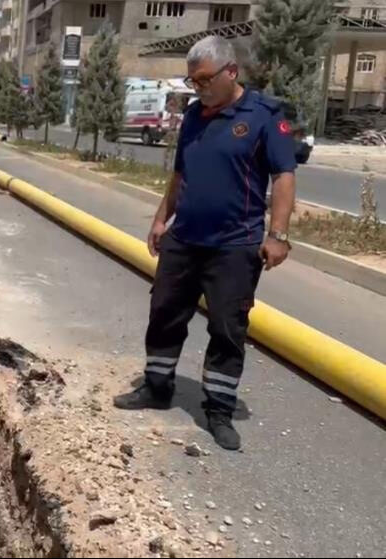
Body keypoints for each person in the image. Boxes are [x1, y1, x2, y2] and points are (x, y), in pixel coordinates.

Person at [112, 36, 297, 451]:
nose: (198, 88)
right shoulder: (195, 116)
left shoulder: (265, 116)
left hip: (235, 244)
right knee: (164, 312)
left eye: (204, 80)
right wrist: (162, 219)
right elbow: (181, 175)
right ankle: (157, 386)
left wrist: (279, 235)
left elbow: (284, 176)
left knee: (228, 328)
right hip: (184, 238)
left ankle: (219, 410)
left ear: (231, 72)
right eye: (192, 81)